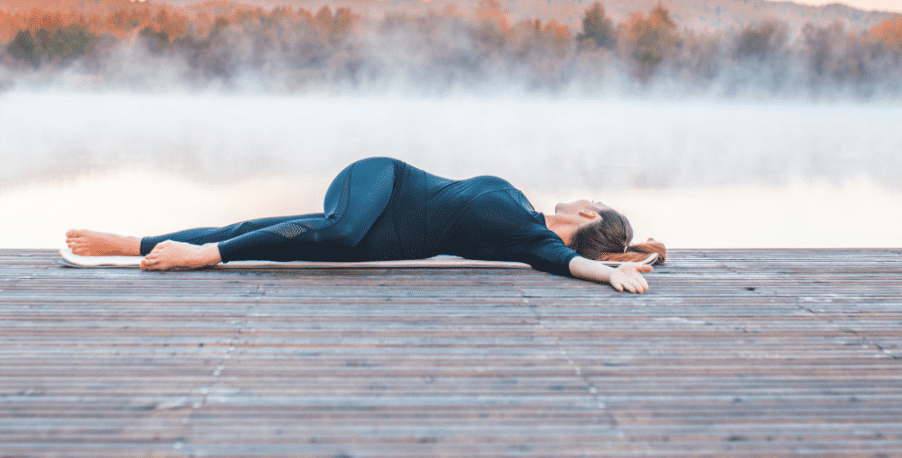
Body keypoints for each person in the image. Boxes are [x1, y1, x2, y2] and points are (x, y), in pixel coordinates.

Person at [66, 156, 661, 293]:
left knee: (280, 232)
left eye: (595, 199)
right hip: (383, 180)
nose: (587, 195)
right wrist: (626, 259)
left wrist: (611, 273)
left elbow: (569, 262)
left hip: (388, 231)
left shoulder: (530, 241)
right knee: (340, 235)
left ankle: (130, 243)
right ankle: (204, 256)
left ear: (588, 215)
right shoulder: (523, 209)